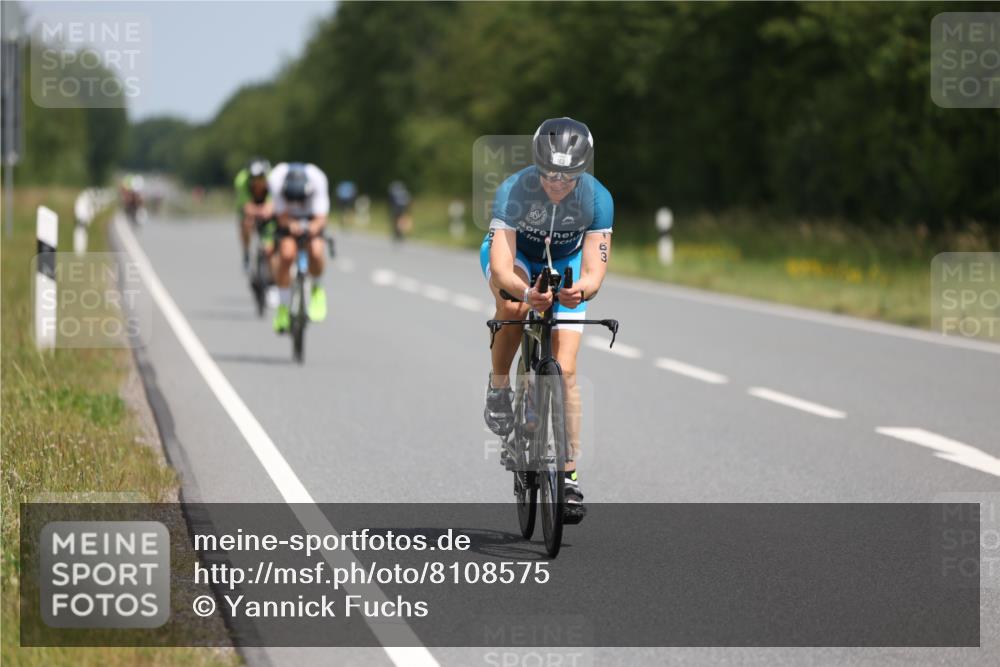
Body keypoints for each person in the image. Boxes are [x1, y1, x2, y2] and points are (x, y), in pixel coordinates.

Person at [481, 117, 613, 514]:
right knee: (514, 306)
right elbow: (501, 267)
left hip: (566, 260)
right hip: (518, 257)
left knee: (566, 370)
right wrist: (526, 293)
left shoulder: (598, 199)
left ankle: (568, 476)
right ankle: (499, 387)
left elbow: (594, 273)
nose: (558, 182)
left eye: (568, 175)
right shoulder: (513, 190)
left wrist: (579, 291)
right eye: (550, 173)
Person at [267, 162, 331, 333]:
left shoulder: (318, 179)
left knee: (316, 251)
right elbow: (280, 216)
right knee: (286, 255)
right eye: (292, 199)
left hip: (311, 217)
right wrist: (290, 225)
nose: (296, 203)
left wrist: (312, 228)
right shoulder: (276, 179)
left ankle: (317, 290)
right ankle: (283, 307)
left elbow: (321, 218)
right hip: (287, 218)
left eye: (299, 200)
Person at [233, 158, 274, 274]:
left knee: (271, 238)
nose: (257, 181)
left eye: (261, 178)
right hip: (251, 202)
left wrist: (267, 210)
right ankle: (246, 252)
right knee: (246, 223)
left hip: (266, 203)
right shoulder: (241, 181)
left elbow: (271, 206)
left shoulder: (273, 179)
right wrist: (259, 211)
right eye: (254, 178)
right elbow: (246, 206)